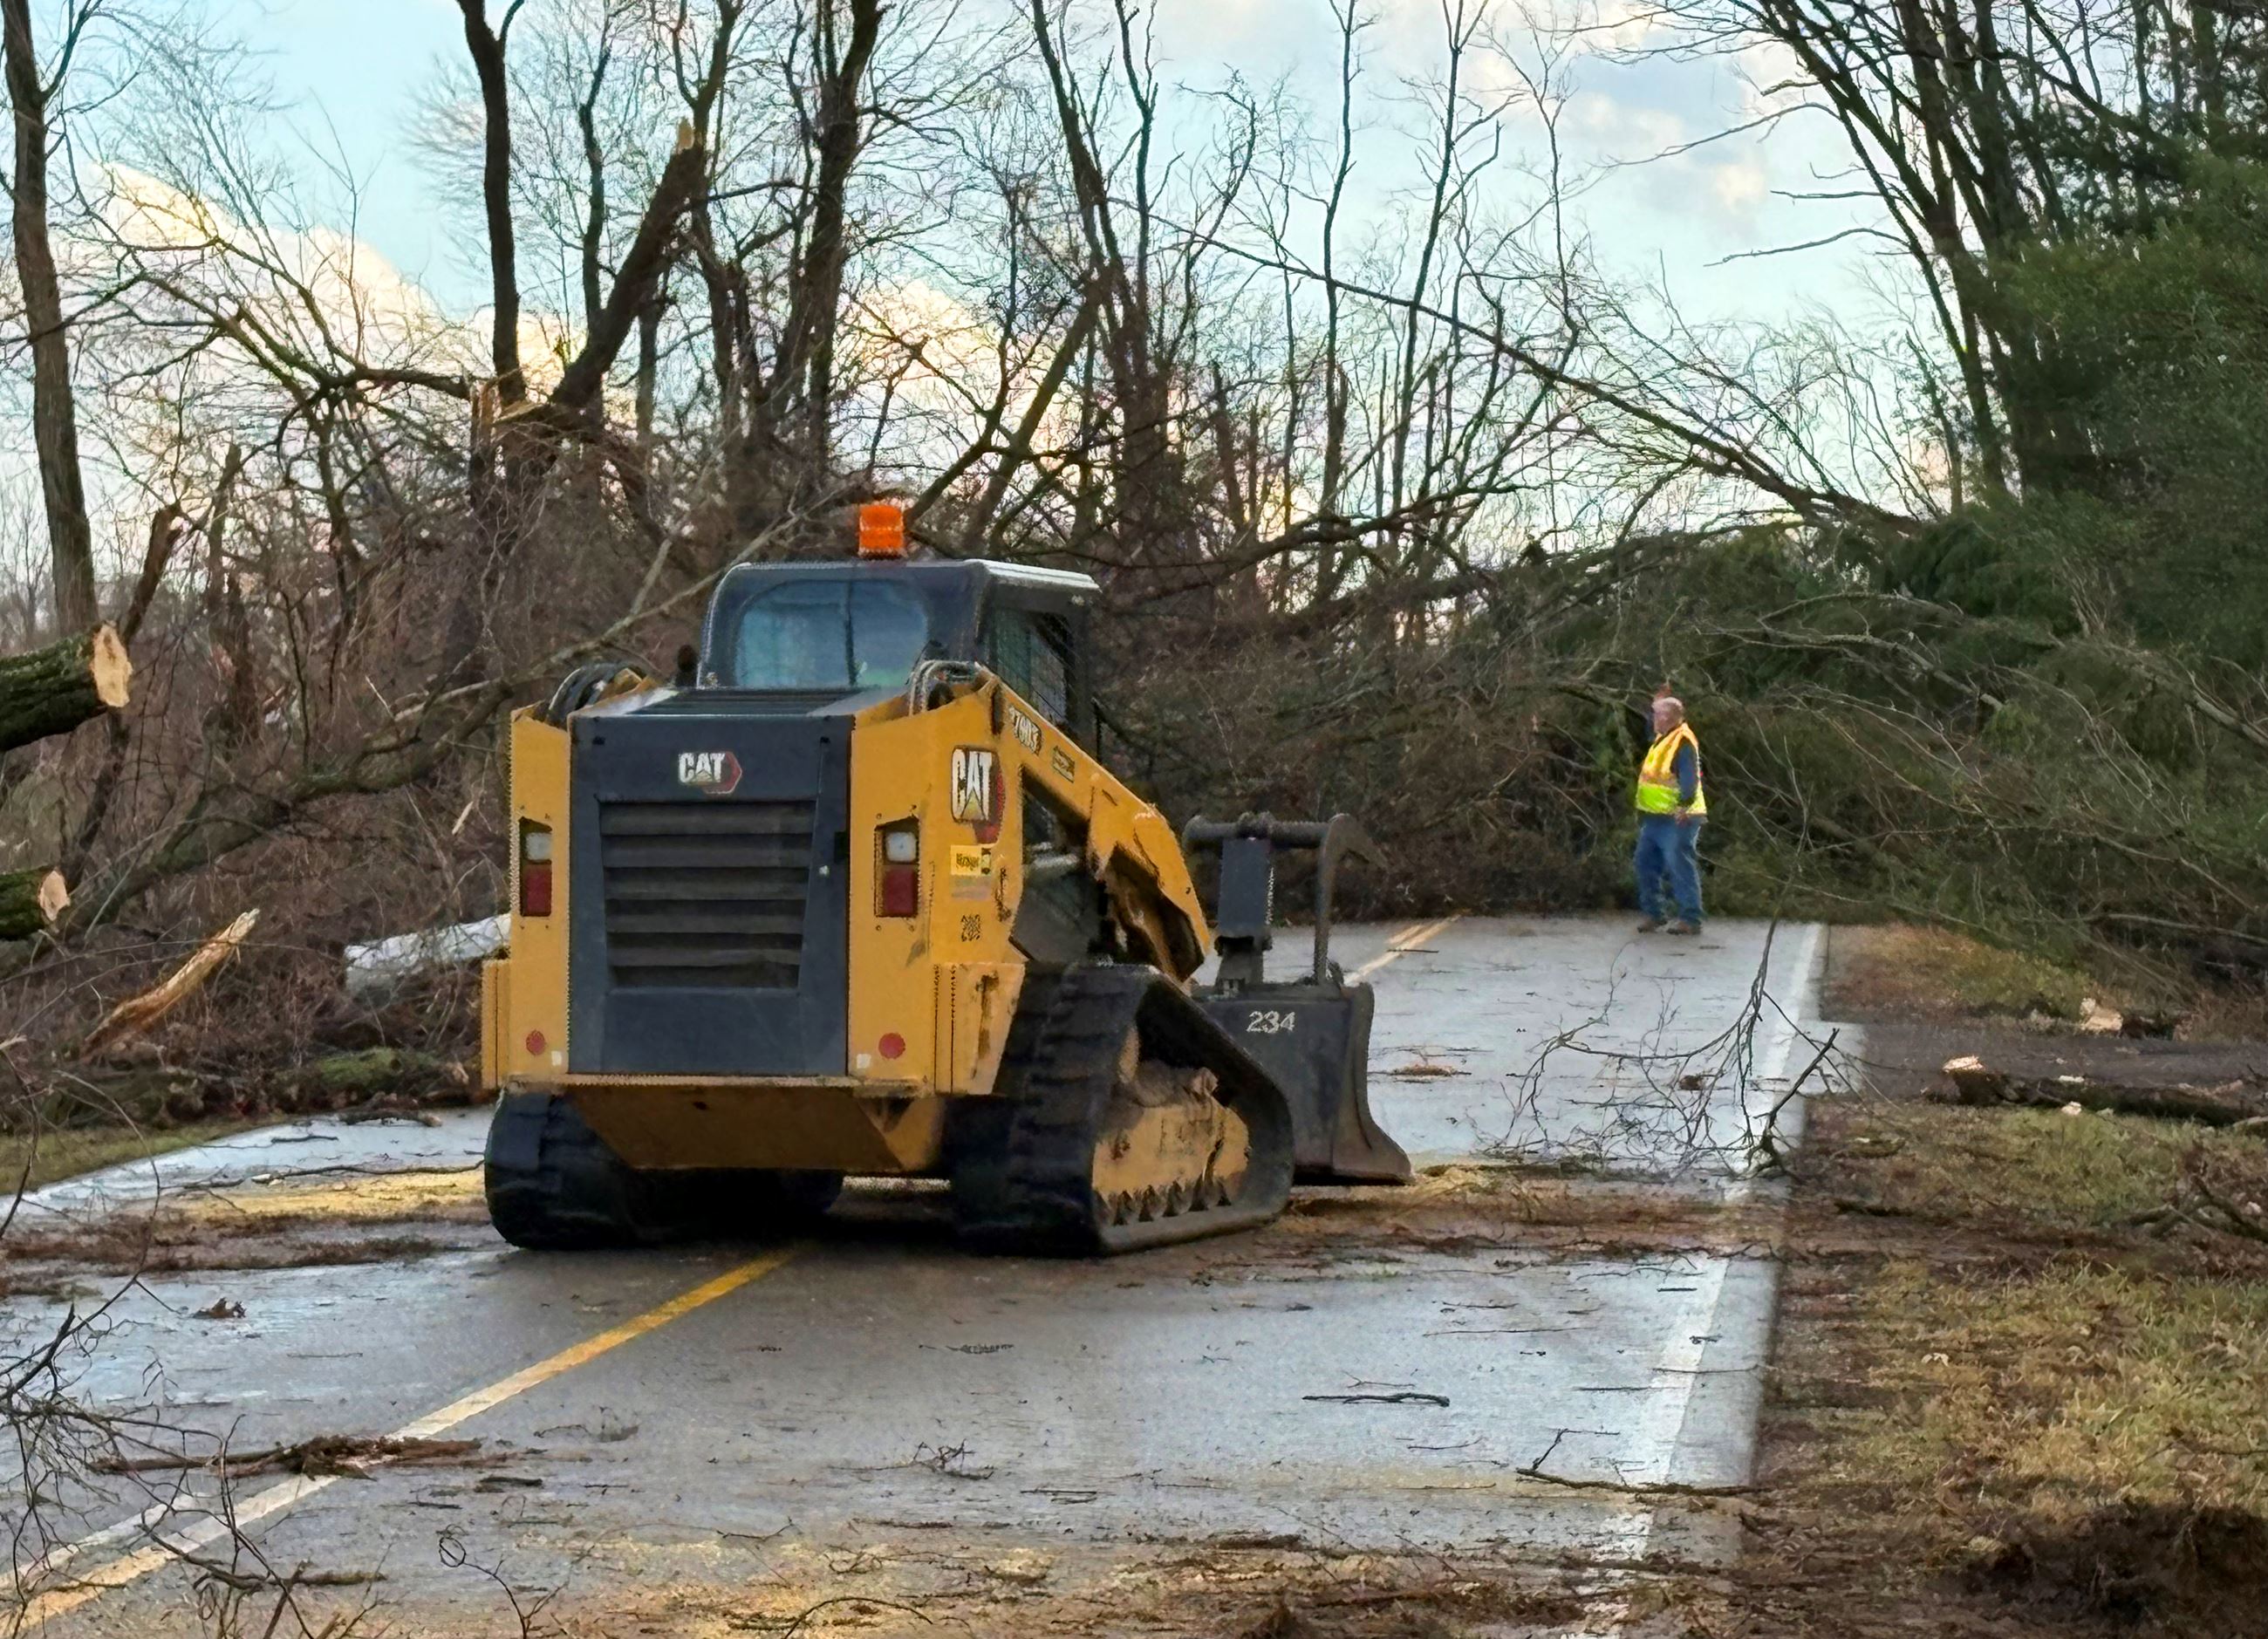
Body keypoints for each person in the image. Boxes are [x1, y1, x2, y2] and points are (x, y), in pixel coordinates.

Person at [1633, 693, 1704, 935]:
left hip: (1678, 817)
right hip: (1655, 817)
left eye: (1657, 714)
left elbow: (1690, 779)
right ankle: (1654, 913)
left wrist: (1684, 804)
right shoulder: (1663, 738)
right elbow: (1648, 728)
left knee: (1679, 865)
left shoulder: (1682, 742)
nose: (1653, 719)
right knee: (1644, 863)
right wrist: (1655, 701)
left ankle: (1690, 918)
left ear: (1667, 717)